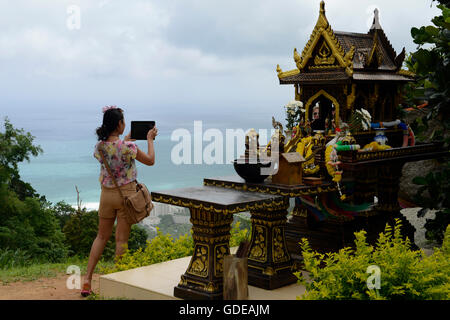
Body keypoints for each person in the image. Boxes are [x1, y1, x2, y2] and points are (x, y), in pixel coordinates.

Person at [80, 106, 158, 297]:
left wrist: (129, 135)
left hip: (106, 195)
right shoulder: (128, 147)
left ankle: (87, 280)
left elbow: (116, 147)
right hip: (126, 196)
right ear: (119, 124)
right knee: (121, 240)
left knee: (101, 237)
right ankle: (117, 281)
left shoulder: (100, 146)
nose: (125, 124)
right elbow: (150, 160)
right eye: (123, 121)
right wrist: (149, 140)